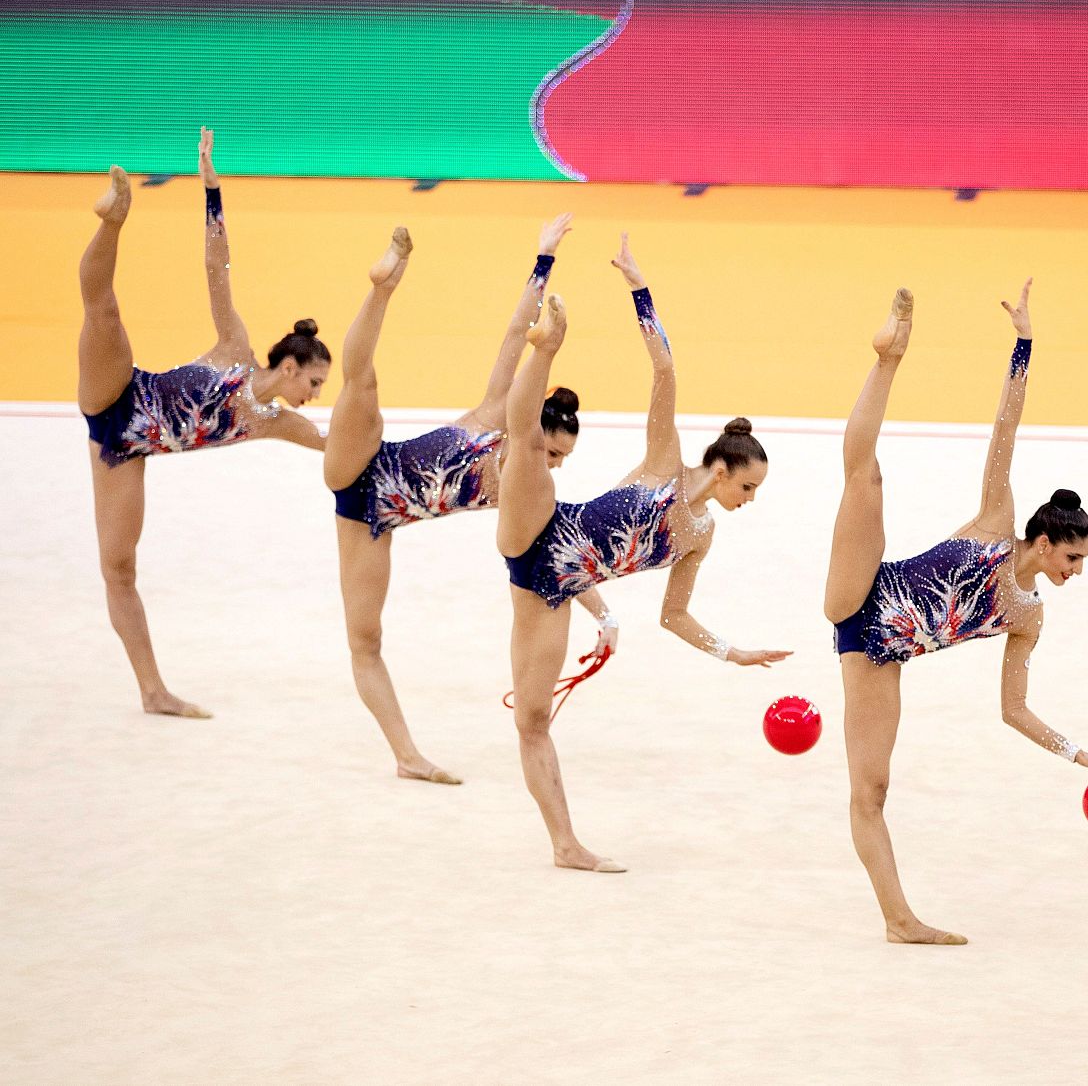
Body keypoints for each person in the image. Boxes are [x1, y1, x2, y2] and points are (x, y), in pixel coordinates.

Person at [824, 281, 1088, 945]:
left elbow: (1013, 710)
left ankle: (900, 921)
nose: (1076, 572)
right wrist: (1024, 346)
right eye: (1073, 558)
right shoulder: (996, 520)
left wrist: (1078, 754)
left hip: (877, 652)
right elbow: (1004, 429)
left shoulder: (1027, 616)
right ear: (1044, 541)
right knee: (866, 477)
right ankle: (887, 358)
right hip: (863, 586)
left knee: (871, 791)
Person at [497, 234, 790, 872]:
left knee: (534, 718)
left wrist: (732, 652)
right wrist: (639, 289)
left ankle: (565, 846)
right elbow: (665, 372)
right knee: (522, 442)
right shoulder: (664, 463)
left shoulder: (701, 535)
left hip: (554, 585)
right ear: (718, 467)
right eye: (747, 486)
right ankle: (542, 342)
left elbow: (673, 616)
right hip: (538, 530)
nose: (750, 499)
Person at [323, 218, 618, 783]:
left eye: (560, 461)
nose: (553, 466)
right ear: (535, 430)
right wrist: (543, 260)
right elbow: (517, 334)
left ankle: (407, 756)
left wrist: (543, 258)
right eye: (552, 452)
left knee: (366, 641)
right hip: (368, 480)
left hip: (369, 511)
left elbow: (564, 557)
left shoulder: (498, 426)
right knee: (360, 383)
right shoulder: (511, 453)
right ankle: (383, 283)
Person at [78, 129, 326, 719]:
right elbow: (218, 268)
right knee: (103, 307)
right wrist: (212, 191)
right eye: (313, 384)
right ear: (288, 365)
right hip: (120, 391)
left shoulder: (274, 422)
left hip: (123, 448)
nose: (314, 398)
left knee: (119, 569)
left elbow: (334, 445)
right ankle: (113, 219)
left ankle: (152, 691)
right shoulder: (236, 350)